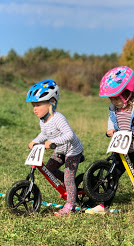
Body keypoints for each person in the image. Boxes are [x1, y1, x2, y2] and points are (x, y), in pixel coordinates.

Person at [85, 66, 134, 216]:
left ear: (126, 94)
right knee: (111, 177)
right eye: (111, 99)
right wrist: (110, 129)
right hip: (122, 149)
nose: (113, 102)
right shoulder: (114, 107)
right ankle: (104, 205)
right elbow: (111, 119)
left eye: (115, 98)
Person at [26, 79, 84, 216]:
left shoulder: (58, 118)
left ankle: (70, 204)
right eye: (33, 105)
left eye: (38, 104)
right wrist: (35, 141)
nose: (35, 108)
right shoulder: (43, 120)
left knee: (68, 178)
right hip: (60, 150)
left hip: (72, 150)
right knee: (50, 169)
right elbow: (44, 134)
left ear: (51, 102)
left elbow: (69, 134)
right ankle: (71, 186)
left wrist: (53, 142)